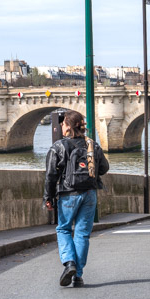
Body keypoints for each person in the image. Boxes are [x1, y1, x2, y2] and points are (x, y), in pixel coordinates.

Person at [43, 111, 110, 288]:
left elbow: (50, 175)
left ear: (68, 126)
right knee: (82, 233)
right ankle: (77, 275)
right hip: (89, 193)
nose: (62, 127)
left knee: (64, 229)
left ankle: (69, 263)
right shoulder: (92, 145)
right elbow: (104, 168)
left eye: (64, 124)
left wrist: (48, 197)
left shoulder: (58, 147)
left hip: (68, 194)